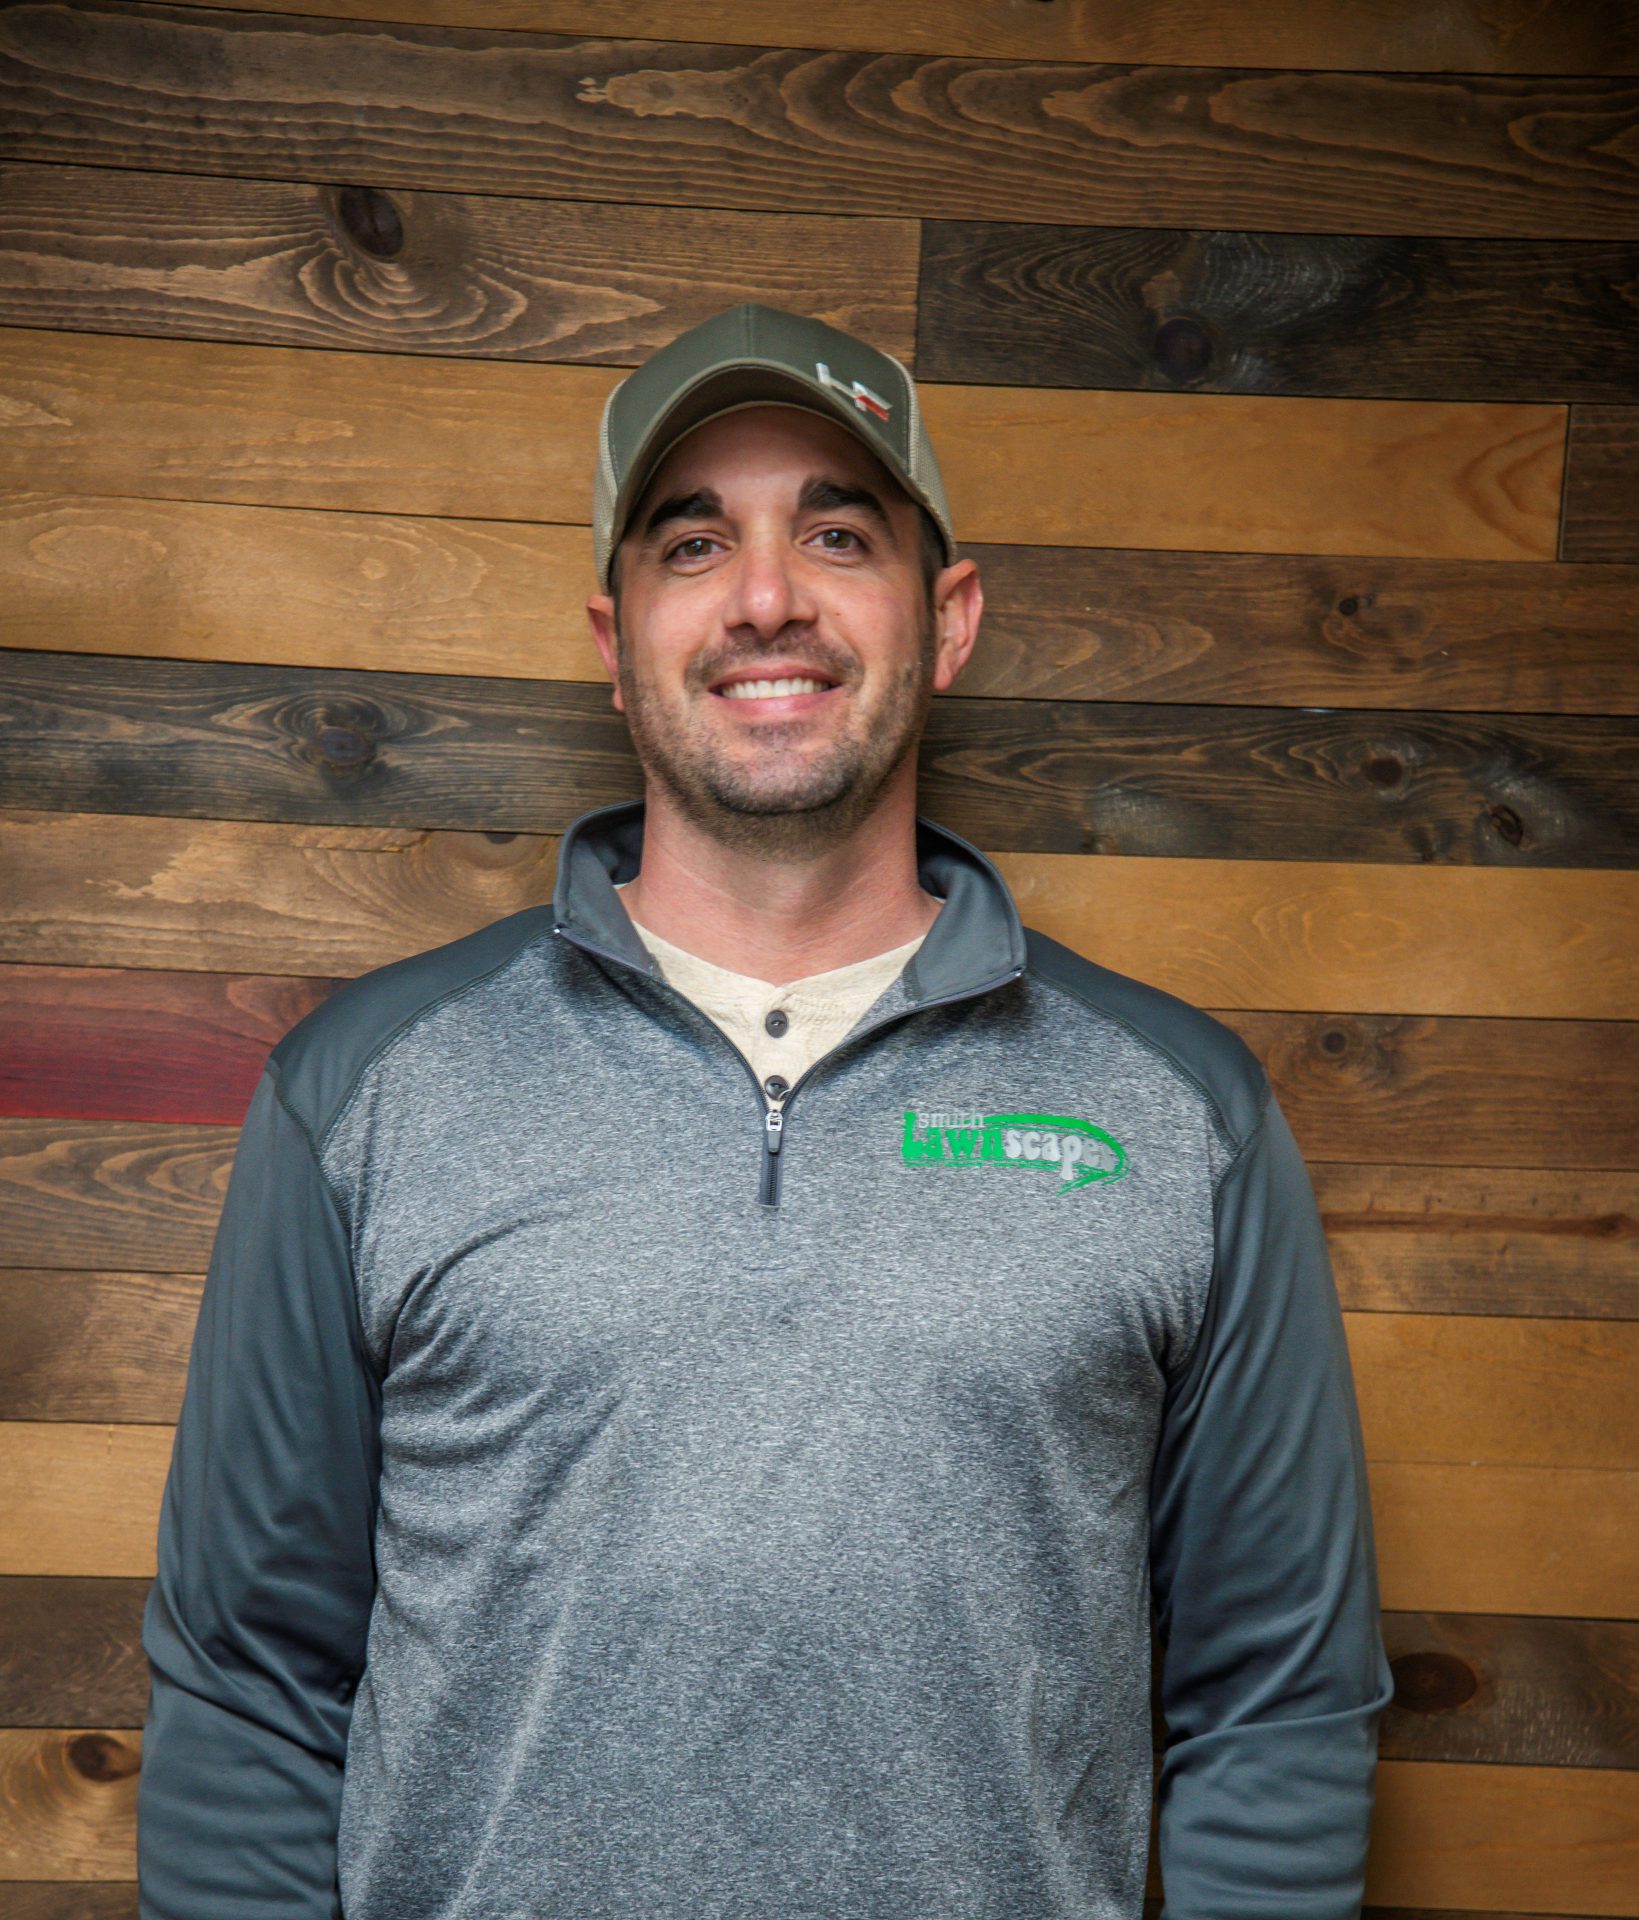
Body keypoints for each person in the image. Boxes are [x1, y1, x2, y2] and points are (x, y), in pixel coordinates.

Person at [138, 303, 1394, 1919]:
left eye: (837, 533)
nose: (766, 598)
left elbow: (1279, 1702)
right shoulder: (367, 1089)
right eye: (693, 543)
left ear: (947, 620)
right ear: (615, 644)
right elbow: (246, 1689)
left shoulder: (1178, 1113)